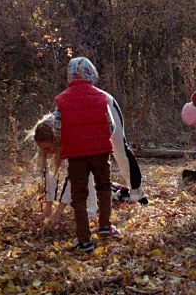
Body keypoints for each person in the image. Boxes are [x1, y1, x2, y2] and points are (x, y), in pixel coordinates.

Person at [53, 56, 120, 254]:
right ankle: (105, 227)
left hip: (76, 155)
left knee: (79, 196)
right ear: (92, 73)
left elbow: (57, 129)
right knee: (105, 188)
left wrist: (65, 143)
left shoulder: (61, 99)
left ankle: (84, 241)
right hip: (100, 152)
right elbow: (111, 126)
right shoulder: (101, 97)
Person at [30, 114, 147, 225]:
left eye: (47, 148)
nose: (46, 151)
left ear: (56, 141)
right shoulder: (47, 131)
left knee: (115, 156)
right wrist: (48, 207)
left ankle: (134, 193)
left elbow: (73, 177)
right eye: (42, 148)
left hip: (101, 126)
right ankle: (96, 206)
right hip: (83, 128)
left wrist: (59, 211)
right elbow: (51, 173)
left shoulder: (71, 138)